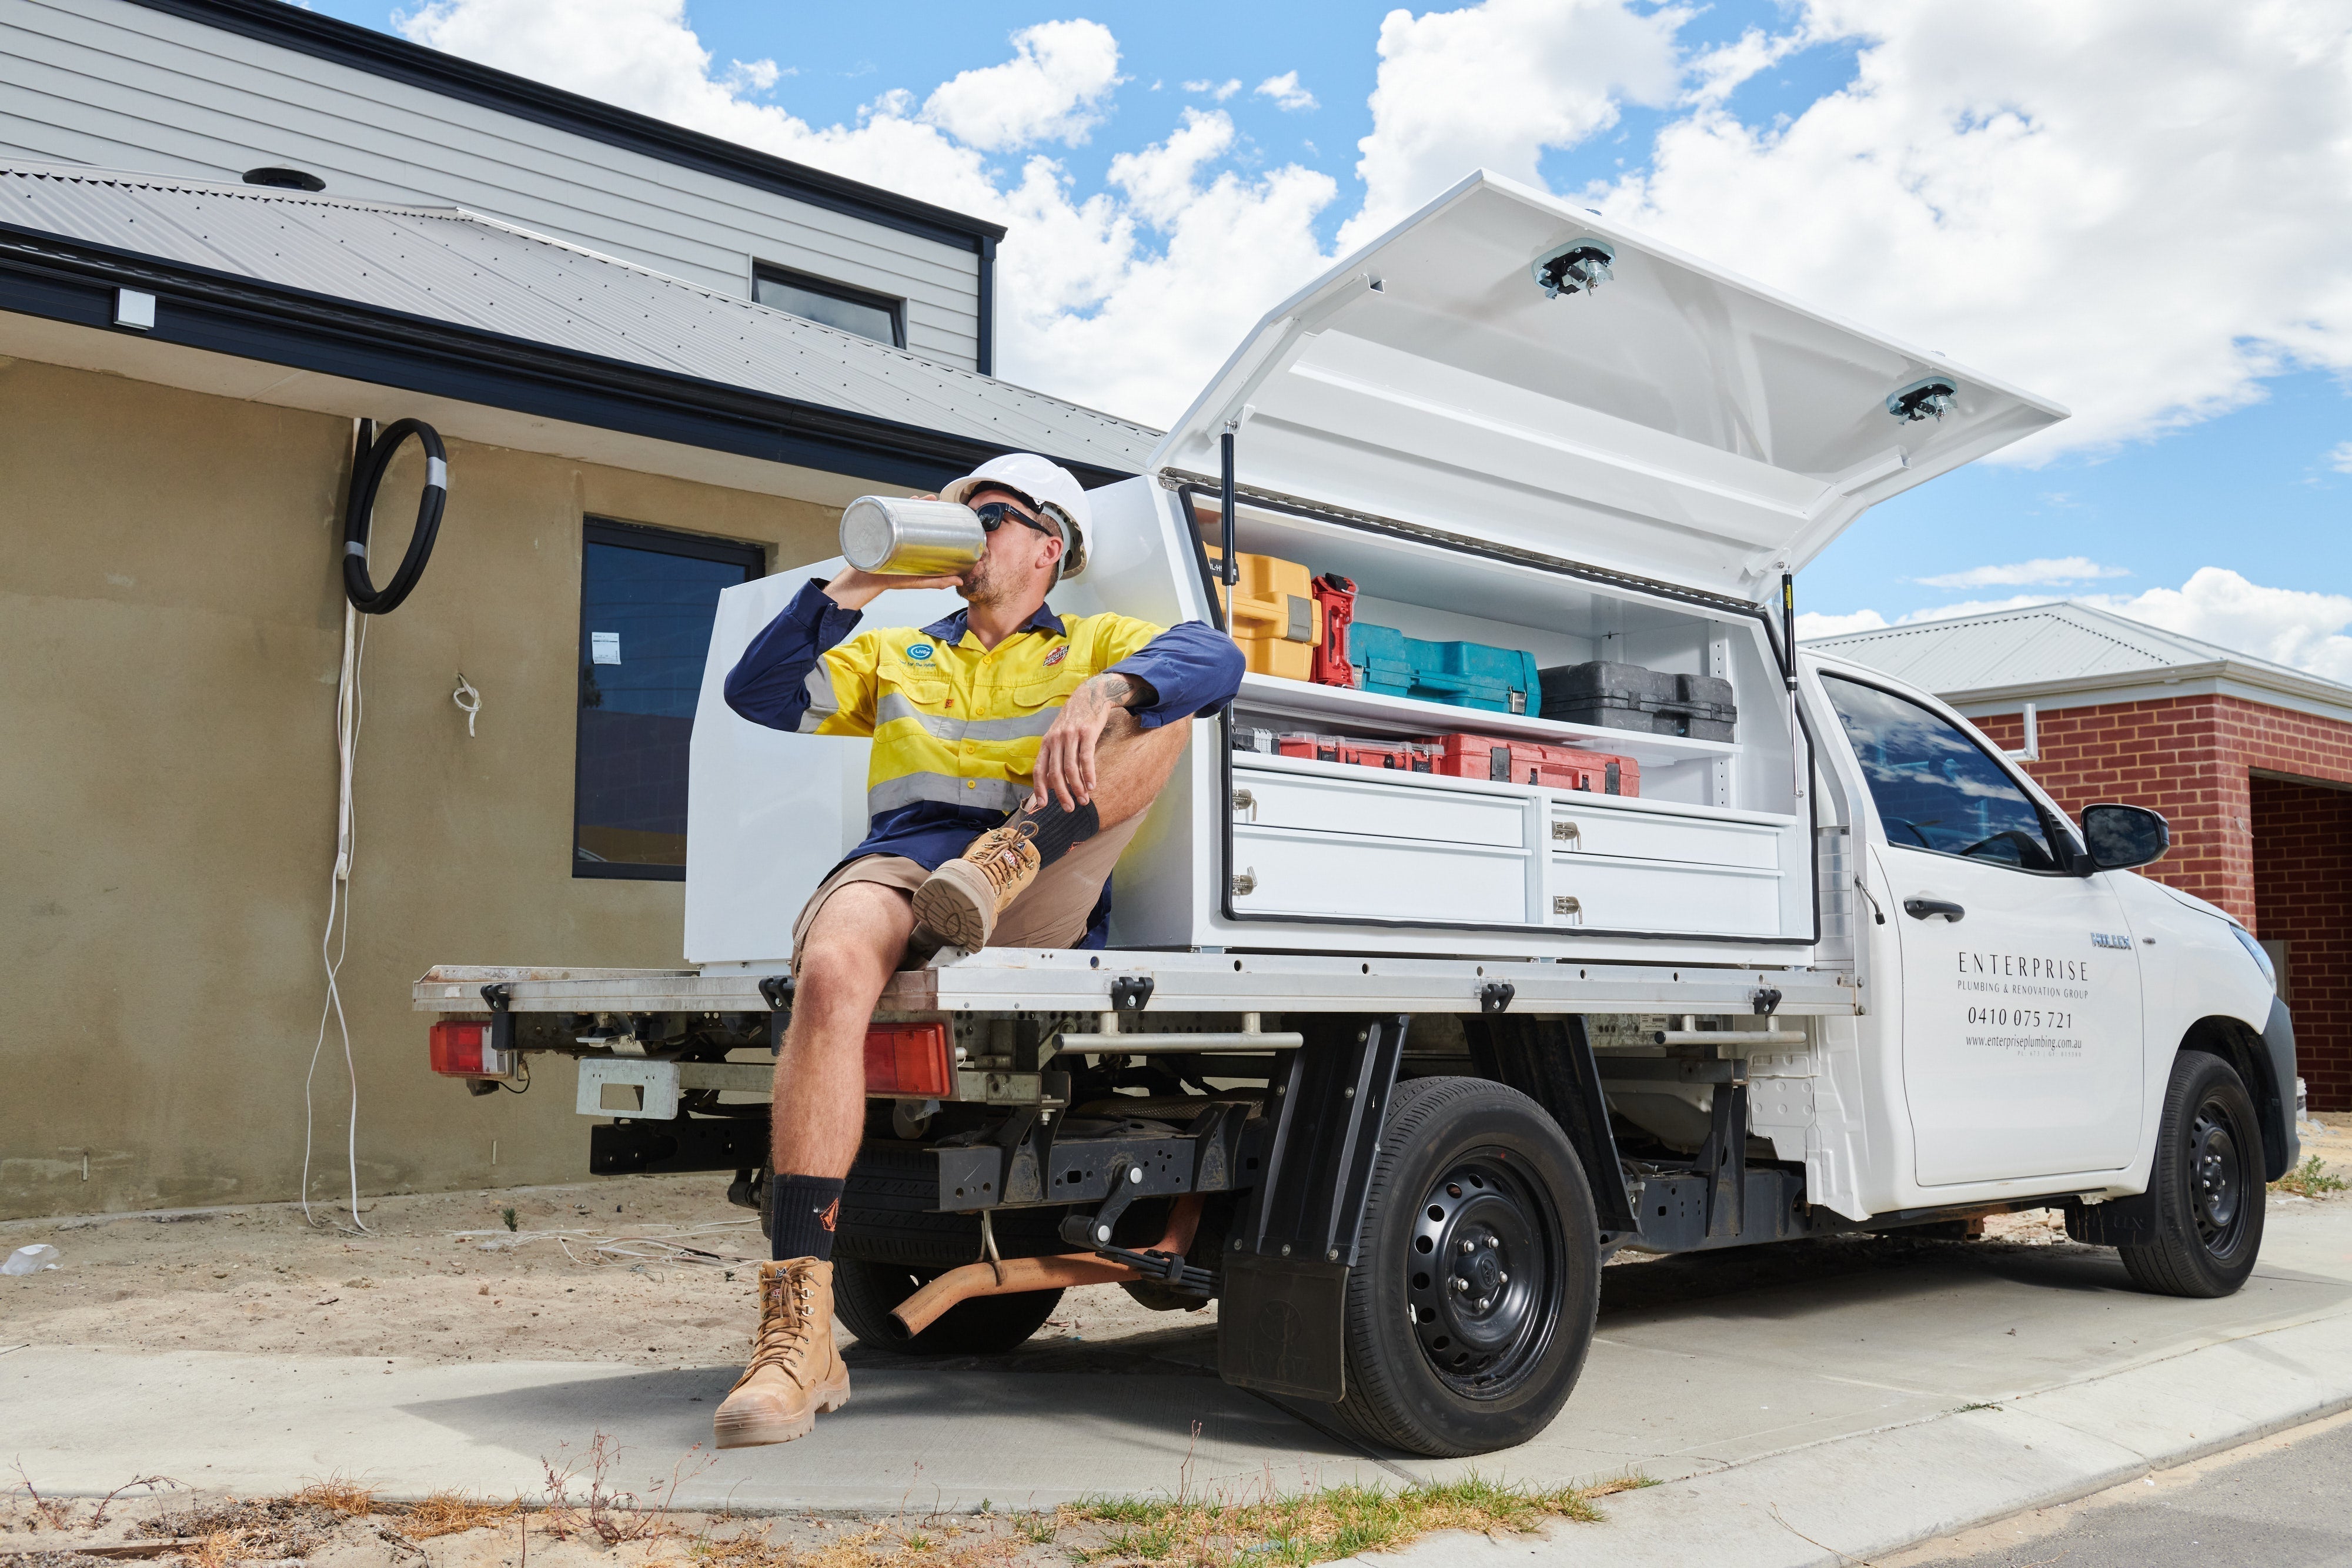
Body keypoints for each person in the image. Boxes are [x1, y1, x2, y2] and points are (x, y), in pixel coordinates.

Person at [709, 452, 1244, 1449]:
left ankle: (1005, 860)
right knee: (827, 974)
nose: (968, 528)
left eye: (988, 515)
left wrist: (1110, 692)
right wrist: (865, 577)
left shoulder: (1092, 641)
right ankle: (798, 1339)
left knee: (1169, 703)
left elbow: (1218, 658)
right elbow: (759, 692)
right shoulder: (901, 652)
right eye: (957, 516)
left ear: (1050, 545)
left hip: (1036, 871)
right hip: (910, 864)